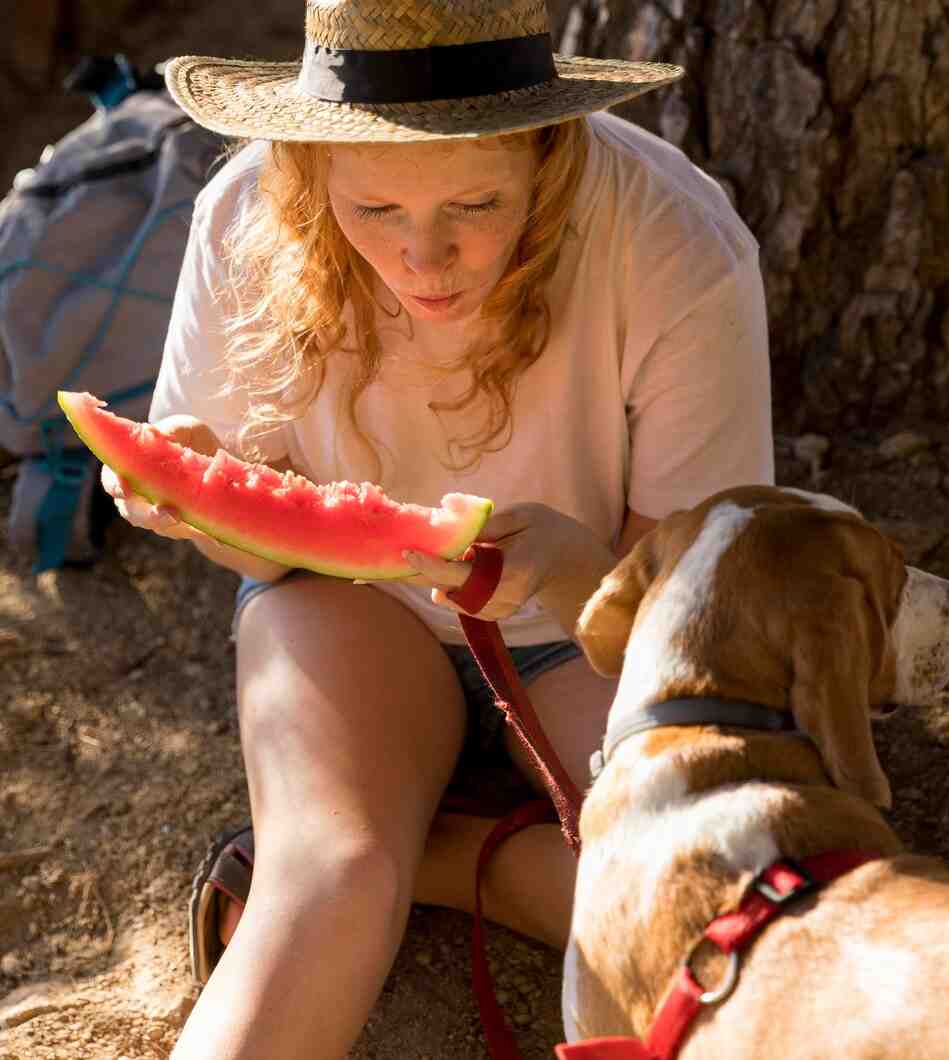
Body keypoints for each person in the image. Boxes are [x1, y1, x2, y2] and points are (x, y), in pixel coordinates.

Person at [103, 2, 773, 1057]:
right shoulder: (244, 213)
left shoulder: (675, 242)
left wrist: (572, 572)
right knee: (329, 873)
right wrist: (198, 507)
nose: (427, 255)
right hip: (343, 602)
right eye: (374, 208)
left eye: (475, 200)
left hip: (588, 619)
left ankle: (445, 854)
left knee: (717, 907)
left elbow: (689, 605)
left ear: (548, 160)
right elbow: (261, 543)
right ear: (310, 168)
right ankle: (384, 851)